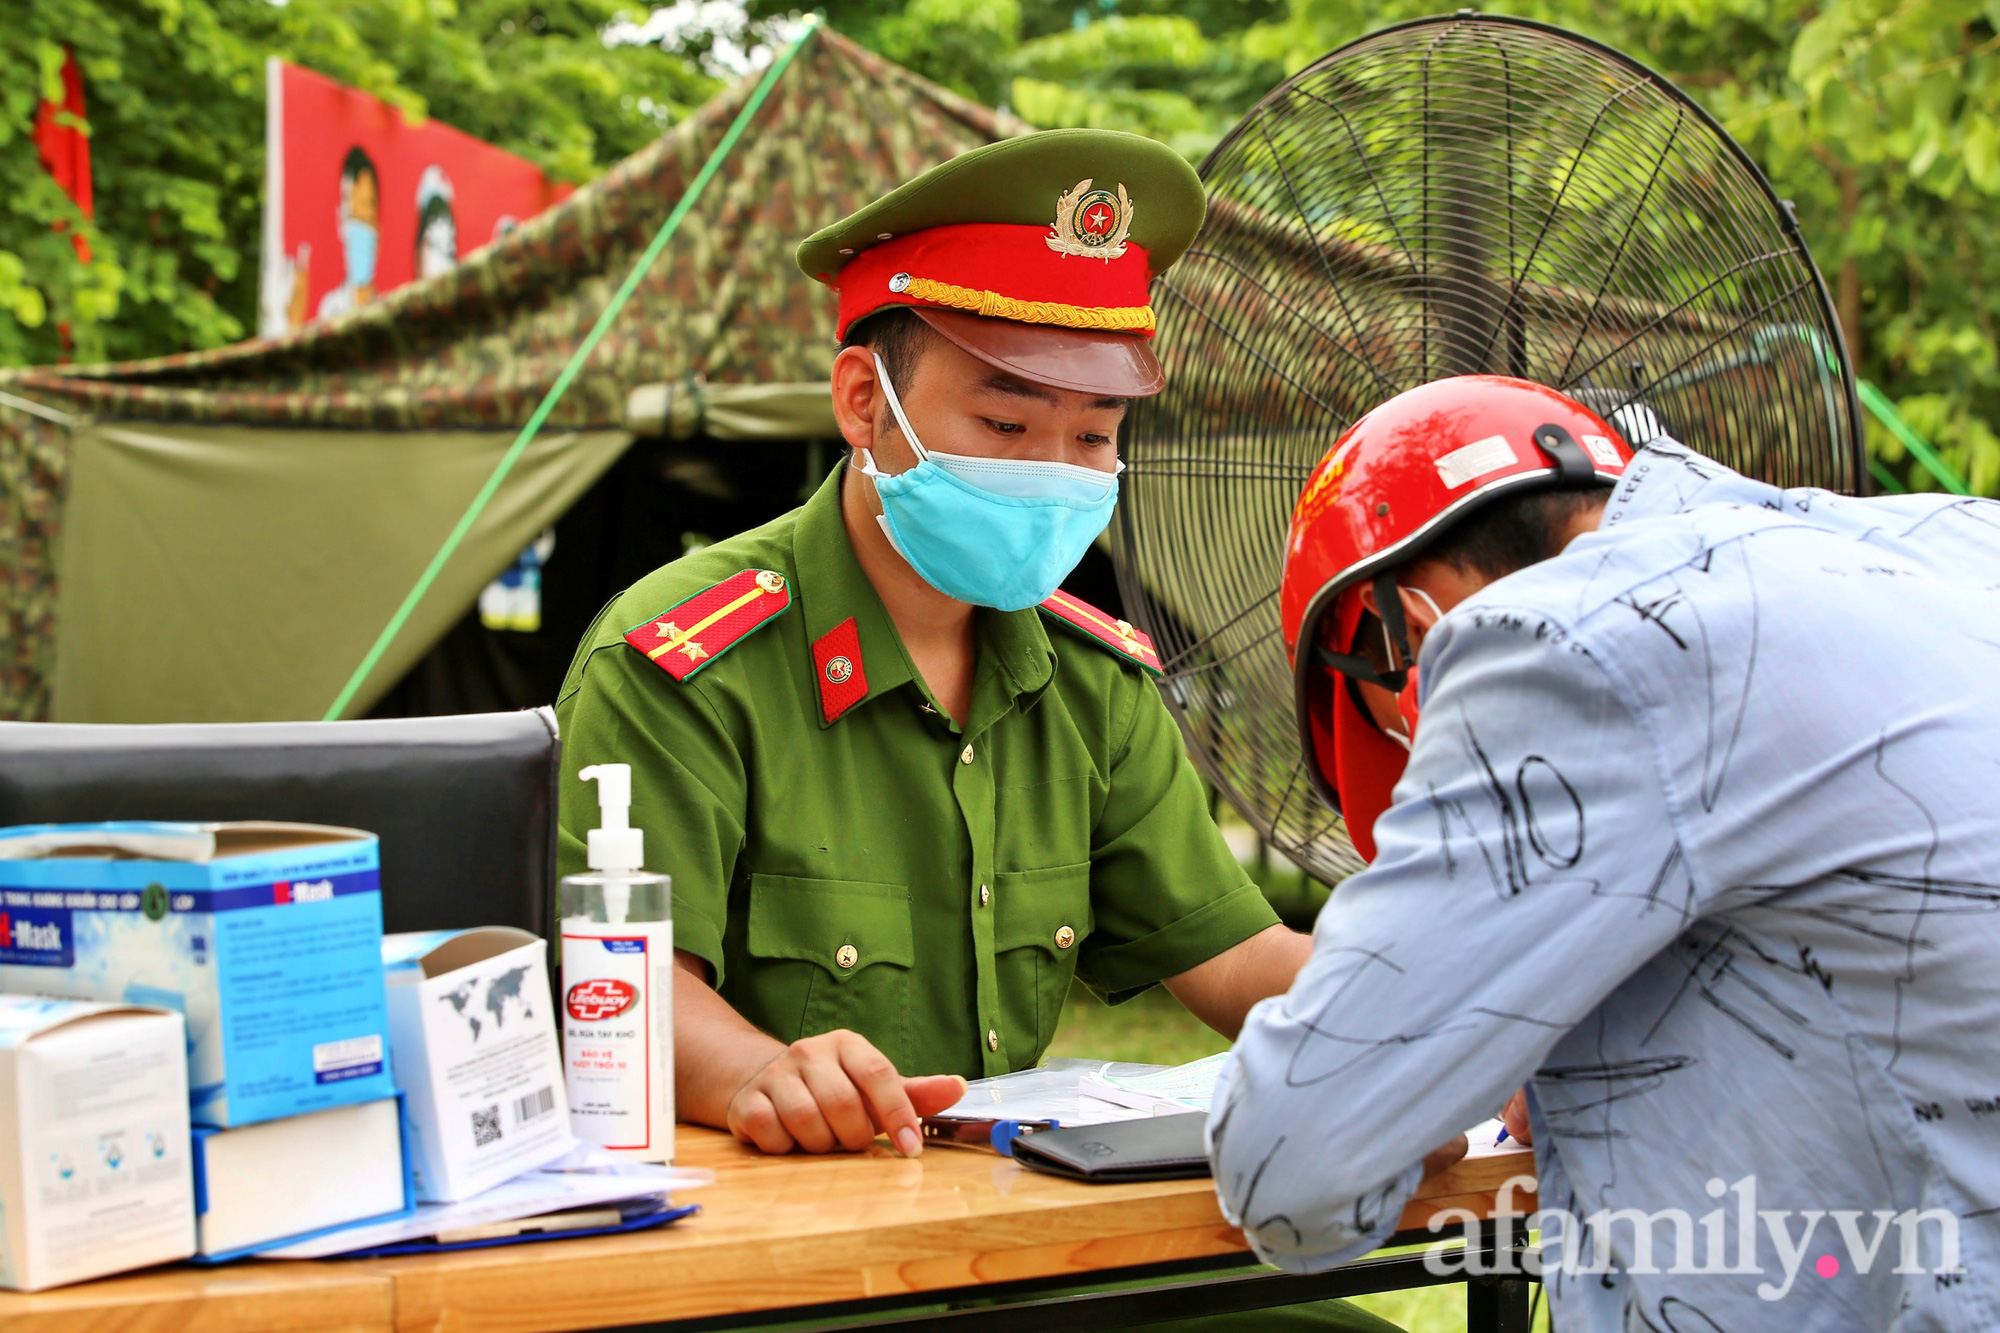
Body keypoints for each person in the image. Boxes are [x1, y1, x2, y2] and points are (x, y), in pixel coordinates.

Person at [556, 127, 1420, 1331]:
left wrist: (1447, 1012)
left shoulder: (1088, 677)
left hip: (1017, 1243)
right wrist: (761, 1070)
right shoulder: (686, 663)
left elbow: (1230, 959)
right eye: (1008, 427)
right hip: (782, 1271)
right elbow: (628, 994)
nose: (1055, 475)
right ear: (865, 400)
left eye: (1094, 437)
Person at [1211, 374, 2000, 1328]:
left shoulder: (1558, 637)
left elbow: (1292, 1161)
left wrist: (1391, 1098)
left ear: (1408, 632)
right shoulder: (1952, 539)